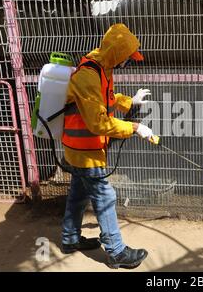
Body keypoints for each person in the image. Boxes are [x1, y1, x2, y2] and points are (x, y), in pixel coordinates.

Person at [59, 23, 155, 269]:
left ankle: (69, 240)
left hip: (78, 148)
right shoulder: (88, 75)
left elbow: (107, 99)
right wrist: (134, 128)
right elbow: (98, 122)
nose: (128, 63)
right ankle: (116, 252)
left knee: (78, 194)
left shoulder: (101, 67)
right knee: (105, 196)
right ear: (117, 54)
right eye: (127, 58)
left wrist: (129, 101)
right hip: (85, 151)